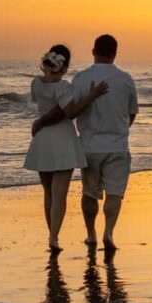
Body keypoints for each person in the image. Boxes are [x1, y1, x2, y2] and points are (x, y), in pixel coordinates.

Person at [33, 34, 138, 251]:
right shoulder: (126, 79)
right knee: (114, 193)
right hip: (115, 145)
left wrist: (40, 122)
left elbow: (68, 108)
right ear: (115, 53)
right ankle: (108, 232)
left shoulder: (79, 79)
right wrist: (120, 130)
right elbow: (131, 112)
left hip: (87, 145)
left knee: (88, 192)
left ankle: (89, 234)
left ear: (93, 51)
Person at [25, 44, 108, 253]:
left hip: (42, 140)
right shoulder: (63, 87)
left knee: (48, 193)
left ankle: (51, 235)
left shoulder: (35, 83)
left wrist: (40, 122)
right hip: (63, 140)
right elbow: (69, 112)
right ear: (65, 66)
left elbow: (42, 103)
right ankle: (53, 237)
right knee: (59, 193)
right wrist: (91, 96)